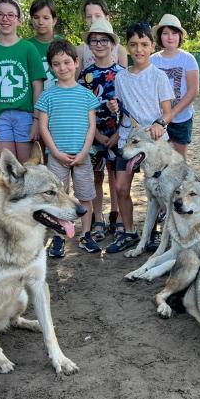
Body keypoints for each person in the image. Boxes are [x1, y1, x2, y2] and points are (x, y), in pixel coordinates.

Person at [106, 22, 173, 254]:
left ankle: (153, 234)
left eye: (144, 44)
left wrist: (160, 124)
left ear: (152, 46)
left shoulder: (159, 76)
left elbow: (167, 111)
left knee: (156, 190)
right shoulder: (121, 78)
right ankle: (129, 231)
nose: (139, 49)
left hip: (154, 143)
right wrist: (114, 106)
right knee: (121, 187)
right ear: (127, 47)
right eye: (133, 44)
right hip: (129, 140)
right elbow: (121, 110)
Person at [36, 40, 101, 257]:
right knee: (58, 197)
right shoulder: (47, 96)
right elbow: (43, 127)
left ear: (75, 62)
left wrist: (84, 152)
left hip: (82, 155)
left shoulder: (86, 95)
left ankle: (86, 234)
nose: (62, 68)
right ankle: (58, 237)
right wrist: (54, 152)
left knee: (85, 196)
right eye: (57, 64)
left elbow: (92, 126)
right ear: (51, 67)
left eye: (66, 62)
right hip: (57, 156)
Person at [0, 0, 46, 163]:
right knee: (9, 170)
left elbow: (37, 87)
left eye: (11, 15)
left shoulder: (28, 48)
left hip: (26, 116)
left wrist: (36, 120)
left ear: (19, 20)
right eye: (0, 14)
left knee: (26, 168)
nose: (5, 19)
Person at [79, 19, 124, 244]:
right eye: (94, 40)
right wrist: (96, 135)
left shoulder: (123, 74)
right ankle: (98, 218)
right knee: (96, 175)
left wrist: (117, 134)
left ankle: (116, 215)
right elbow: (80, 110)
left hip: (117, 134)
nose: (99, 44)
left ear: (112, 43)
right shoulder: (85, 77)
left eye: (104, 40)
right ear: (89, 45)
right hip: (94, 135)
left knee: (116, 176)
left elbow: (129, 108)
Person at [151, 14, 200, 159]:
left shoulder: (188, 59)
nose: (170, 37)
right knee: (159, 158)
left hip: (182, 117)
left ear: (179, 36)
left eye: (174, 33)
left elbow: (193, 90)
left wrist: (172, 113)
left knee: (179, 159)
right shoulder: (152, 60)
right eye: (165, 33)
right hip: (157, 118)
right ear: (160, 37)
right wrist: (163, 116)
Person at [78, 0, 128, 72]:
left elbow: (124, 79)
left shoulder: (120, 50)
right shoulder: (80, 50)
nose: (93, 20)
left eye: (98, 16)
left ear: (107, 18)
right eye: (89, 17)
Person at [28, 0, 59, 90]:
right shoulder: (26, 46)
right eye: (36, 17)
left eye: (46, 18)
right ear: (31, 20)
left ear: (54, 20)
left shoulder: (63, 45)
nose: (40, 22)